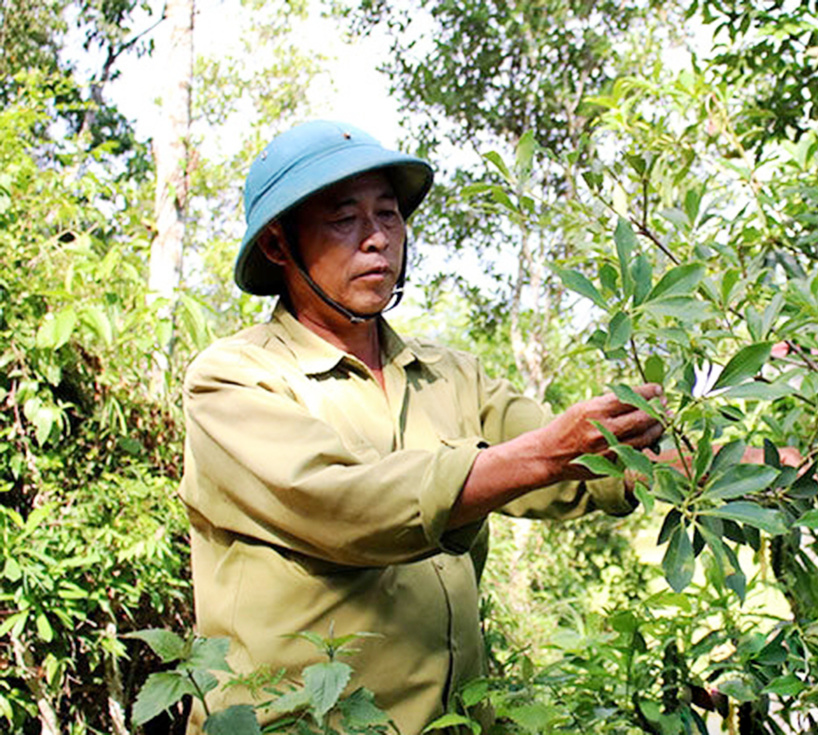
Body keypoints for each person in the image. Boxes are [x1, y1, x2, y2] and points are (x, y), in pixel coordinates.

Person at [179, 120, 664, 732]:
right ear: (279, 246)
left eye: (388, 215)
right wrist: (545, 453)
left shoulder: (449, 374)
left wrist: (735, 467)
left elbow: (576, 461)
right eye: (343, 219)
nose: (377, 238)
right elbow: (345, 502)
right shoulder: (233, 378)